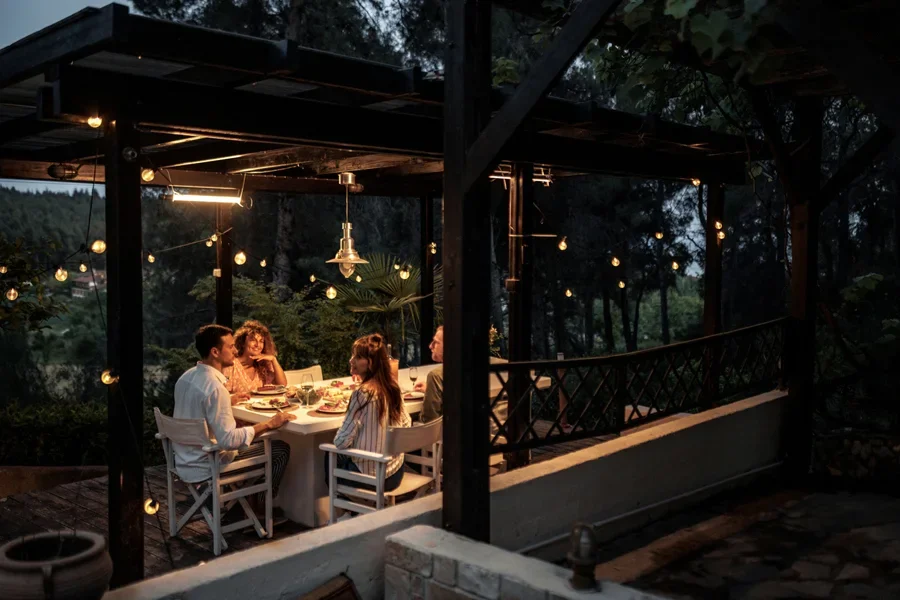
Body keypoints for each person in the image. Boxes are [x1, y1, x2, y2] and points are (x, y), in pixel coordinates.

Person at [173, 324, 296, 503]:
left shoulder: (186, 377)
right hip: (209, 464)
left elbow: (199, 408)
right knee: (280, 448)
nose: (235, 350)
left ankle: (241, 501)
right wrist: (269, 423)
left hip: (184, 461)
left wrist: (228, 401)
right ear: (215, 352)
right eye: (230, 347)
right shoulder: (216, 388)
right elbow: (229, 440)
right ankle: (258, 506)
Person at [329, 333, 411, 492]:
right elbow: (407, 423)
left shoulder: (362, 394)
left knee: (329, 455)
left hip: (371, 479)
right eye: (353, 355)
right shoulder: (392, 387)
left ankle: (351, 510)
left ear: (371, 363)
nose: (351, 360)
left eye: (358, 357)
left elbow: (341, 442)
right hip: (395, 473)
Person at [415, 325, 507, 442]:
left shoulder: (437, 375)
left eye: (436, 342)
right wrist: (431, 390)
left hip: (460, 442)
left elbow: (429, 421)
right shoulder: (480, 367)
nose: (430, 346)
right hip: (495, 435)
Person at [224, 320, 287, 397]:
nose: (258, 345)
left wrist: (274, 359)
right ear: (243, 343)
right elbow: (224, 397)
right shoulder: (231, 365)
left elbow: (282, 384)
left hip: (260, 408)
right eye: (253, 340)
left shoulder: (263, 364)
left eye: (261, 341)